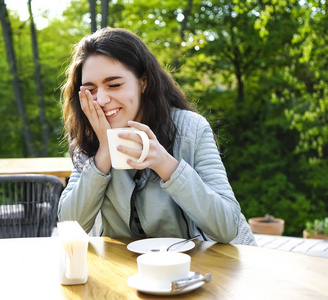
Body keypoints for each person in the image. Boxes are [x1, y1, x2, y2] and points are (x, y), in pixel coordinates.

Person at [58, 27, 255, 245]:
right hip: (122, 270)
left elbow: (227, 227)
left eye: (114, 85)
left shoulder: (191, 128)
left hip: (191, 269)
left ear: (143, 81)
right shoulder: (89, 136)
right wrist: (104, 151)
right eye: (91, 90)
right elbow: (71, 225)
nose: (102, 99)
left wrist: (166, 165)